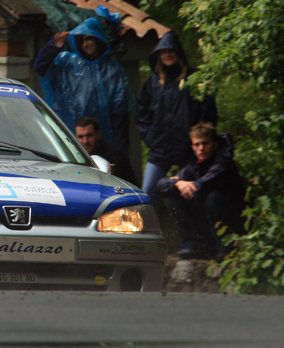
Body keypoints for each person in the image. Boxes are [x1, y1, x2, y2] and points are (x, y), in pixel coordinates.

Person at [136, 31, 217, 203]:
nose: (167, 54)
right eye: (163, 51)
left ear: (178, 53)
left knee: (192, 192)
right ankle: (151, 221)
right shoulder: (152, 83)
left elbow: (208, 113)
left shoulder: (194, 79)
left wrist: (199, 141)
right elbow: (141, 113)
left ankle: (190, 221)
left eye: (171, 50)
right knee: (147, 192)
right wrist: (151, 138)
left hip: (189, 151)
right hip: (160, 149)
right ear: (158, 55)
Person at [36, 16, 131, 155]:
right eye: (82, 41)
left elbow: (120, 111)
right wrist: (52, 47)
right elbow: (41, 67)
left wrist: (119, 151)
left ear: (98, 39)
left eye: (89, 39)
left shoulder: (112, 69)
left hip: (103, 136)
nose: (85, 44)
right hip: (72, 132)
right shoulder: (68, 63)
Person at [155, 122, 246, 260]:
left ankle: (227, 247)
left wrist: (184, 185)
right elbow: (160, 186)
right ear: (192, 147)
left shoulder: (223, 163)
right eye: (197, 145)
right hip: (206, 222)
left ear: (215, 144)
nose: (201, 148)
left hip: (233, 221)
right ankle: (195, 245)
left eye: (205, 143)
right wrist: (178, 183)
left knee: (213, 198)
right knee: (171, 198)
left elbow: (206, 183)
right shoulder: (194, 165)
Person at [74, 116, 139, 186]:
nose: (85, 141)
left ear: (98, 134)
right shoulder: (72, 156)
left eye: (89, 135)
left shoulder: (115, 156)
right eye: (80, 137)